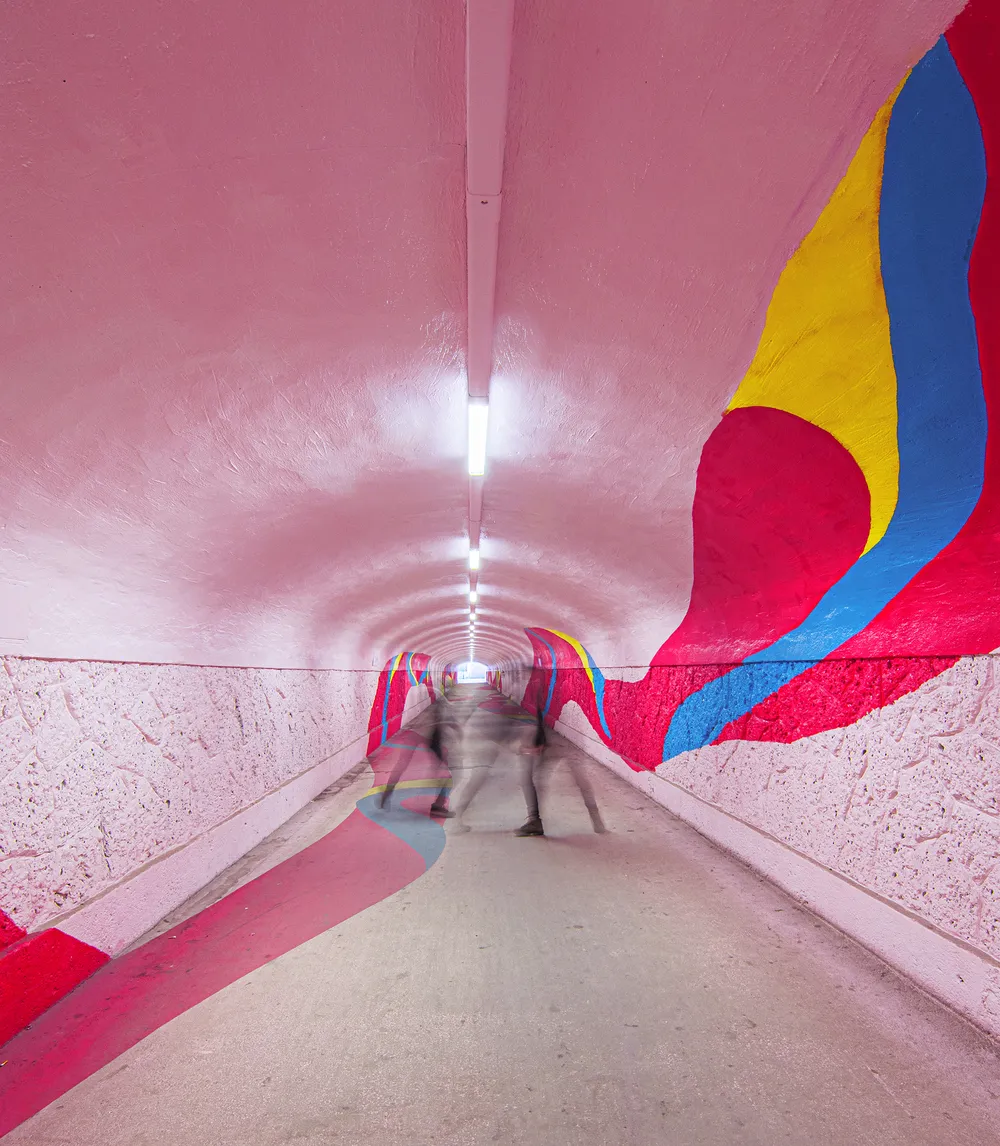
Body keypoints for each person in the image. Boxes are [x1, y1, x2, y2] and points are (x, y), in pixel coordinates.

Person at [516, 704, 606, 837]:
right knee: (579, 779)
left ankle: (534, 819)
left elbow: (541, 716)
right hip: (560, 739)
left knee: (531, 779)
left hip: (553, 741)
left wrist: (536, 744)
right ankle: (596, 819)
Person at [379, 703, 457, 817]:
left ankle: (387, 792)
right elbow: (439, 734)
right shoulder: (442, 708)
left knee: (401, 766)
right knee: (447, 776)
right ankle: (438, 806)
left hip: (417, 733)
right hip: (428, 735)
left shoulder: (434, 706)